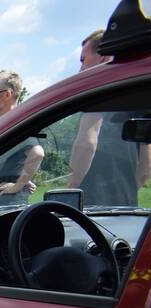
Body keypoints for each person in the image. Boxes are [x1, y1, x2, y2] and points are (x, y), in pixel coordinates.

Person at [67, 30, 151, 206]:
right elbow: (146, 167)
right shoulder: (136, 99)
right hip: (127, 205)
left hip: (91, 204)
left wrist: (71, 187)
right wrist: (123, 194)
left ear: (104, 58)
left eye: (83, 60)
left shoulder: (99, 94)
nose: (80, 68)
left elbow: (87, 142)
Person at [0, 72, 45, 207]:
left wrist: (18, 186)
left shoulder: (17, 124)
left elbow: (37, 153)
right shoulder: (7, 125)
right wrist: (23, 179)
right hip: (0, 202)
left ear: (7, 94)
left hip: (6, 203)